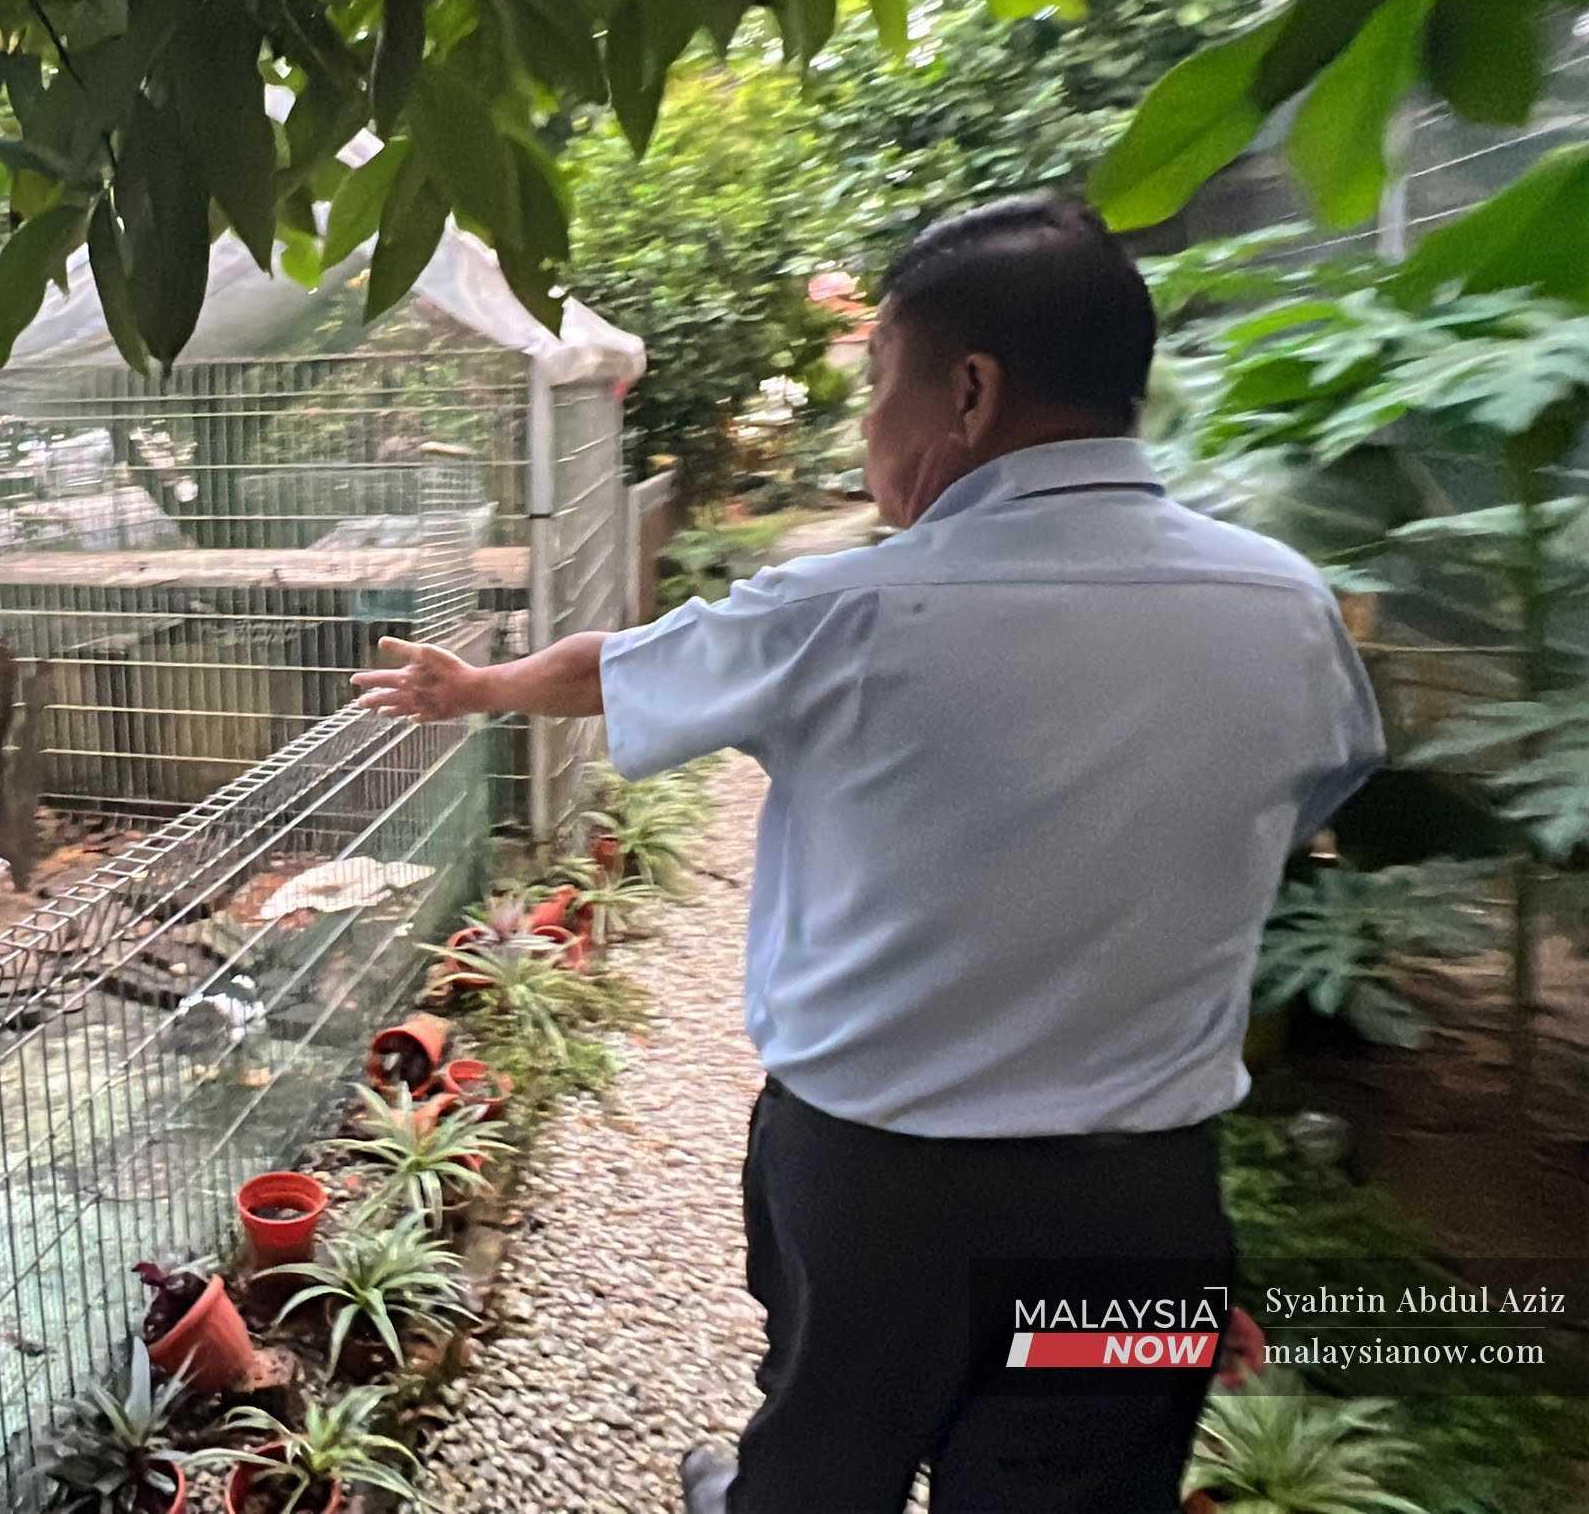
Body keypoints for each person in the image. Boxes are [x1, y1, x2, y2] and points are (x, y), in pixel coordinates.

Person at [349, 196, 1385, 1513]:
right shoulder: (1287, 605)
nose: (864, 424)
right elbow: (1297, 800)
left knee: (827, 1445)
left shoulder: (846, 610)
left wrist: (478, 685)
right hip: (1141, 1197)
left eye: (876, 379)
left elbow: (613, 666)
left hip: (878, 1186)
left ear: (969, 389)